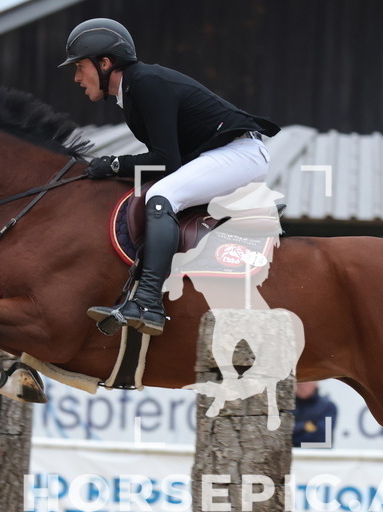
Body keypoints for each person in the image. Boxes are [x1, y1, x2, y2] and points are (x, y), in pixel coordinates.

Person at [61, 17, 280, 336]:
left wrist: (112, 165)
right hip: (219, 154)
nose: (77, 77)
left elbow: (165, 160)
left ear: (104, 63)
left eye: (80, 67)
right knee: (152, 192)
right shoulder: (132, 91)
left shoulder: (146, 84)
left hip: (240, 154)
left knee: (161, 197)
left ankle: (149, 302)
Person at [292, 382, 338, 447]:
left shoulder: (328, 407)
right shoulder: (284, 406)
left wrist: (294, 430)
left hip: (318, 452)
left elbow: (324, 439)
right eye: (299, 382)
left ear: (315, 383)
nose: (302, 386)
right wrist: (304, 426)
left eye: (306, 382)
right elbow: (280, 436)